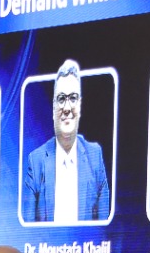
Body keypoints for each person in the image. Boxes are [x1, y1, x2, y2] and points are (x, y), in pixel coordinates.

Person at [23, 60, 110, 223]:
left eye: (73, 98)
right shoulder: (36, 161)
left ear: (80, 105)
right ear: (53, 108)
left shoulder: (95, 157)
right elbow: (27, 230)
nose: (67, 108)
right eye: (61, 99)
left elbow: (104, 229)